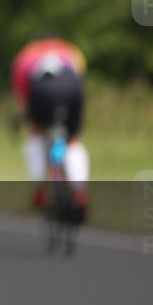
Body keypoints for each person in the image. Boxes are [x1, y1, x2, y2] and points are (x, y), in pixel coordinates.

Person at [10, 35, 89, 222]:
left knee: (36, 135)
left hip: (41, 90)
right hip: (72, 88)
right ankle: (79, 192)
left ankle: (40, 188)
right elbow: (81, 76)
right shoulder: (71, 51)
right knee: (73, 140)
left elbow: (23, 95)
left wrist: (28, 119)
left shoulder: (25, 57)